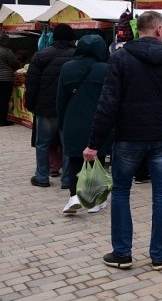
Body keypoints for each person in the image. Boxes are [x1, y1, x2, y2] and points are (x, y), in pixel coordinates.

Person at [83, 11, 162, 271]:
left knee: (122, 192)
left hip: (127, 137)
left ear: (139, 30)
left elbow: (107, 104)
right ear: (159, 30)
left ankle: (122, 253)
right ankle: (158, 255)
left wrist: (93, 143)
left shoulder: (120, 58)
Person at [57, 35, 111, 215]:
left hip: (73, 120)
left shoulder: (67, 68)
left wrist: (63, 120)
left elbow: (60, 99)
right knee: (98, 158)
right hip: (99, 121)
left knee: (74, 159)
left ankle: (74, 196)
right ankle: (95, 199)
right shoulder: (105, 69)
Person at [26, 24, 75, 188]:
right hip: (69, 108)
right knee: (67, 144)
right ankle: (67, 180)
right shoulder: (77, 56)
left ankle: (42, 177)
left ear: (54, 38)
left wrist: (31, 105)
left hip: (46, 107)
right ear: (71, 39)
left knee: (43, 143)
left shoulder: (41, 55)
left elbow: (31, 84)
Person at [0, 32, 20, 127]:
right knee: (4, 99)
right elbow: (14, 63)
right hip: (4, 79)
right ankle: (2, 120)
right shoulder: (6, 51)